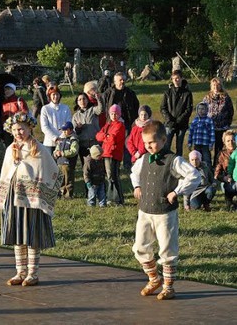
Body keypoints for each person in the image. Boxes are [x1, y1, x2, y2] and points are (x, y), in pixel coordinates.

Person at [131, 120, 200, 300]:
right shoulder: (144, 158)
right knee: (140, 246)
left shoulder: (173, 160)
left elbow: (194, 175)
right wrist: (137, 186)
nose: (148, 146)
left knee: (167, 249)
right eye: (146, 143)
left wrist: (177, 191)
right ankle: (154, 278)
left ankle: (168, 286)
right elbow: (134, 173)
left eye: (152, 142)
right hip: (145, 211)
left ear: (163, 140)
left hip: (165, 213)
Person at [0, 112, 62, 287]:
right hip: (14, 197)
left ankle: (33, 272)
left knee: (32, 235)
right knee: (18, 234)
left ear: (29, 129)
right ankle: (20, 271)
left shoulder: (38, 148)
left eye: (22, 129)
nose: (19, 133)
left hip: (32, 199)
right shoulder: (11, 149)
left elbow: (51, 171)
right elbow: (6, 171)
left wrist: (40, 190)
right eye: (16, 130)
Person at [103, 72, 140, 171]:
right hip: (113, 123)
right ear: (115, 82)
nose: (122, 82)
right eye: (120, 80)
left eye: (123, 79)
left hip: (127, 123)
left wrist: (134, 120)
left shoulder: (130, 93)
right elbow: (104, 107)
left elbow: (136, 107)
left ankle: (127, 165)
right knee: (114, 143)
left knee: (127, 143)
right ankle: (115, 164)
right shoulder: (108, 93)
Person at [96, 104, 126, 206]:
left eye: (116, 114)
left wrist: (106, 137)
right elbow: (98, 136)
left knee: (114, 176)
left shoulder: (120, 126)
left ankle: (118, 199)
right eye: (112, 113)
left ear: (119, 114)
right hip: (106, 153)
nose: (114, 116)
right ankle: (111, 197)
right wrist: (106, 136)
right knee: (109, 176)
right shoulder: (108, 125)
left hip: (114, 154)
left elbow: (113, 139)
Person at [202, 77, 234, 167]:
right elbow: (202, 111)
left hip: (222, 127)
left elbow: (231, 111)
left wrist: (227, 123)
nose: (216, 87)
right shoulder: (207, 98)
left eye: (218, 85)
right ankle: (207, 166)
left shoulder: (226, 97)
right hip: (210, 127)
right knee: (207, 148)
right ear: (211, 86)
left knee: (219, 149)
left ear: (221, 85)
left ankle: (217, 166)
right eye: (214, 85)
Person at [160, 70, 193, 156]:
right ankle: (166, 164)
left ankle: (179, 165)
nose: (175, 80)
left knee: (179, 146)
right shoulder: (168, 93)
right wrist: (169, 120)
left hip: (182, 124)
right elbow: (163, 108)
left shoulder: (187, 93)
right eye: (173, 78)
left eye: (177, 78)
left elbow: (188, 109)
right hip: (169, 124)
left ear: (181, 78)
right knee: (166, 145)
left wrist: (179, 120)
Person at [72, 83, 103, 164]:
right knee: (86, 166)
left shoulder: (93, 110)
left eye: (84, 99)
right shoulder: (76, 116)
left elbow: (100, 109)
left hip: (94, 143)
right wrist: (78, 128)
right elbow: (74, 131)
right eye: (80, 99)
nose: (82, 101)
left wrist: (98, 98)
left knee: (97, 165)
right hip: (83, 145)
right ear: (77, 102)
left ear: (87, 100)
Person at [40, 86, 72, 154]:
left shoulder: (65, 108)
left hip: (63, 141)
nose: (56, 96)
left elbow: (69, 124)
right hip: (49, 143)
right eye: (53, 94)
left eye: (57, 94)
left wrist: (61, 137)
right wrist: (55, 138)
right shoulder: (45, 108)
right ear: (50, 96)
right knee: (50, 163)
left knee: (62, 164)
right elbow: (44, 127)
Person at [53, 121, 79, 199]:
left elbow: (74, 151)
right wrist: (55, 153)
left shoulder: (73, 140)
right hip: (60, 162)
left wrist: (63, 153)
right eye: (62, 130)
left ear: (70, 130)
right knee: (61, 179)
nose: (63, 132)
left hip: (68, 163)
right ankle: (61, 194)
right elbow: (57, 148)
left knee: (68, 180)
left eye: (65, 130)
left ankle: (68, 195)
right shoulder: (61, 139)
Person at [215, 130, 237, 210]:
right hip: (228, 182)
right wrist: (224, 178)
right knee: (230, 207)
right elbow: (216, 174)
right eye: (228, 140)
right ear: (224, 142)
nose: (231, 142)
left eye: (232, 140)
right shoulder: (221, 154)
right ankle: (230, 202)